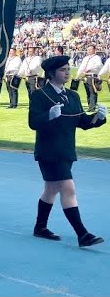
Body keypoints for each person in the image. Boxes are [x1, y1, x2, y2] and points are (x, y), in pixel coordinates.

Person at [29, 54, 106, 247]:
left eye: (67, 69)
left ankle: (40, 227)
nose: (67, 73)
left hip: (66, 150)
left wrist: (98, 118)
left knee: (51, 189)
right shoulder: (40, 95)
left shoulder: (73, 95)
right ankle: (82, 234)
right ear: (51, 74)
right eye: (63, 70)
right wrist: (49, 115)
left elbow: (81, 121)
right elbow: (33, 123)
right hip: (49, 151)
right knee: (68, 188)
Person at [75, 45, 102, 111]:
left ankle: (92, 107)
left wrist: (89, 69)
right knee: (88, 92)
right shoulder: (86, 58)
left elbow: (99, 65)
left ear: (94, 50)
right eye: (88, 49)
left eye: (90, 49)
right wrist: (77, 75)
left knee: (92, 91)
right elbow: (82, 67)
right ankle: (90, 106)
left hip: (92, 76)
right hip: (86, 77)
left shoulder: (97, 58)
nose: (89, 51)